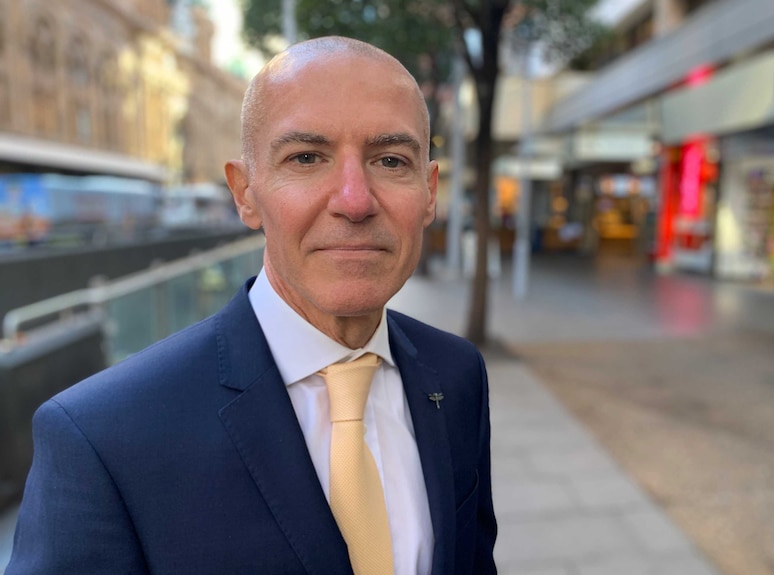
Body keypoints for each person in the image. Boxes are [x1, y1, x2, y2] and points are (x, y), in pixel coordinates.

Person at [7, 36, 496, 574]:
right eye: (307, 157)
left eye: (390, 159)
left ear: (429, 193)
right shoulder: (102, 437)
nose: (355, 200)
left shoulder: (457, 374)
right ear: (245, 193)